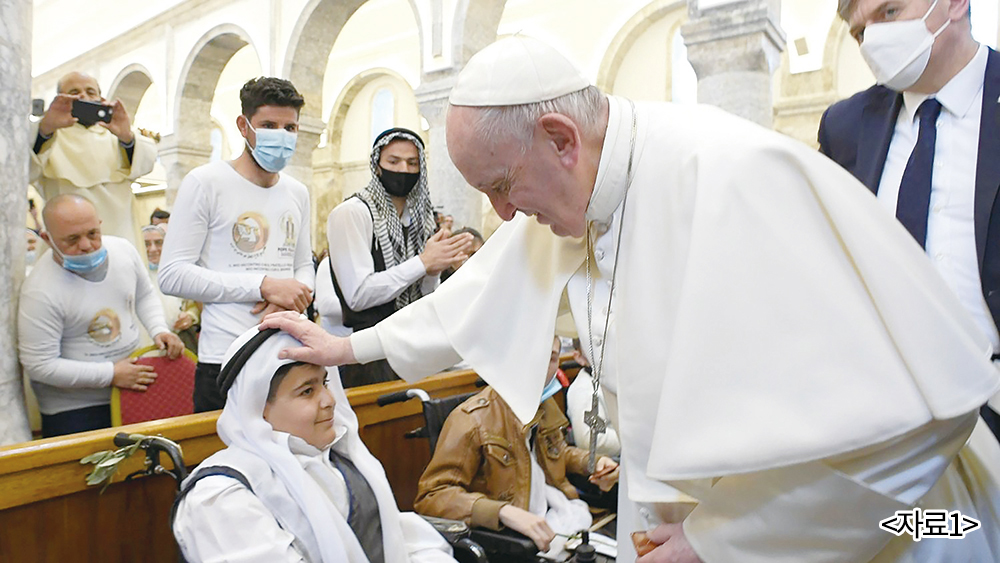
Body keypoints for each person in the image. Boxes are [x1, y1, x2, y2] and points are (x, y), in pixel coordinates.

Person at [263, 36, 1000, 562]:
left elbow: (906, 433)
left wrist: (721, 542)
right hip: (686, 518)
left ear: (559, 137)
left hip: (889, 527)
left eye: (499, 186)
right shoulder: (575, 189)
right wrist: (344, 346)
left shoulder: (735, 178)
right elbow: (473, 302)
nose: (505, 216)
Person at [819, 0, 1000, 441]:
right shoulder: (845, 128)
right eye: (859, 33)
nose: (874, 40)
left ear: (955, 4)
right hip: (888, 417)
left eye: (888, 13)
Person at [171, 324, 457, 563]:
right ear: (258, 408)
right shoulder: (222, 497)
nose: (329, 401)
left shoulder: (343, 461)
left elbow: (399, 540)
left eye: (326, 383)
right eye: (307, 391)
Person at [158, 77, 314, 413]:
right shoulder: (206, 182)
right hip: (225, 357)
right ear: (244, 126)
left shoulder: (297, 192)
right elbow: (172, 274)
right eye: (269, 125)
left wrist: (294, 297)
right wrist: (263, 286)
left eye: (290, 127)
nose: (282, 136)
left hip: (285, 349)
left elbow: (303, 264)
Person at [415, 336, 618, 556]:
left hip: (561, 517)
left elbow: (557, 452)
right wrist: (501, 512)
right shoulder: (471, 420)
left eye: (550, 358)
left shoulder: (544, 403)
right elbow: (432, 496)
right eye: (534, 356)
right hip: (509, 538)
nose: (542, 368)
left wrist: (595, 462)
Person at [18, 195, 183, 437]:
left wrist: (159, 329)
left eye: (93, 234)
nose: (86, 245)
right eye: (72, 239)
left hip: (131, 390)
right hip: (75, 410)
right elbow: (40, 366)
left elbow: (144, 295)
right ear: (47, 238)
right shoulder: (40, 291)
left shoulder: (123, 251)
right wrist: (110, 374)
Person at [322, 128, 471, 387]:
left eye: (412, 163)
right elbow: (358, 296)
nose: (403, 169)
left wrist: (434, 269)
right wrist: (423, 262)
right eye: (394, 161)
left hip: (413, 347)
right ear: (377, 165)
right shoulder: (352, 213)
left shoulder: (420, 221)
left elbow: (425, 296)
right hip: (367, 355)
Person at [30, 71, 156, 247]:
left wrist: (127, 137)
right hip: (67, 242)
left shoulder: (118, 134)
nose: (83, 96)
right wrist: (45, 129)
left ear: (101, 98)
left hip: (119, 236)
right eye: (74, 92)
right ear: (59, 98)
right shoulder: (48, 135)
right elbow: (24, 171)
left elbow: (147, 162)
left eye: (91, 92)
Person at [142, 224, 199, 353]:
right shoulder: (135, 275)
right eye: (146, 244)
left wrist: (190, 316)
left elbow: (193, 305)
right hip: (148, 346)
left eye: (158, 243)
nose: (153, 249)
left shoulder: (178, 272)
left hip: (179, 342)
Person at [565, 339, 620, 459]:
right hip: (610, 461)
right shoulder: (585, 390)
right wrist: (635, 441)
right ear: (579, 357)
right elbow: (590, 438)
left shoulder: (615, 379)